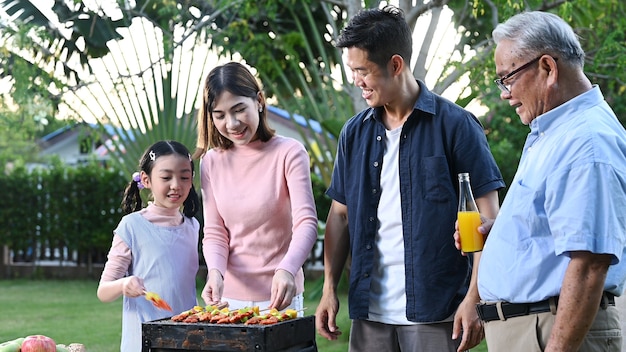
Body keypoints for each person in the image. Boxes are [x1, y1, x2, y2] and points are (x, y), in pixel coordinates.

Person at [314, 5, 505, 352]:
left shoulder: (457, 126)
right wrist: (329, 288)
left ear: (396, 64)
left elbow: (488, 219)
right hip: (369, 316)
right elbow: (339, 216)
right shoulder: (353, 134)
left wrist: (475, 297)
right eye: (352, 70)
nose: (356, 80)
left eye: (363, 71)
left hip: (437, 313)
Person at [467, 11, 626, 352]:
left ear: (547, 69)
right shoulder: (555, 131)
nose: (504, 94)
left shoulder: (586, 142)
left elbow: (590, 263)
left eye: (506, 78)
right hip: (533, 329)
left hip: (550, 332)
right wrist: (505, 232)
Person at [193, 62, 318, 313]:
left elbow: (306, 223)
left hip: (281, 296)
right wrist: (215, 273)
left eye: (239, 109)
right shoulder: (211, 162)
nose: (232, 123)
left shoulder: (289, 152)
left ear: (259, 101)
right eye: (219, 115)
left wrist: (287, 269)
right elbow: (216, 231)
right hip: (228, 300)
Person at [97, 140, 201, 352]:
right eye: (166, 177)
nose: (176, 185)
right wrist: (124, 284)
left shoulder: (193, 226)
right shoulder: (132, 226)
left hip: (187, 339)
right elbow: (104, 291)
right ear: (146, 179)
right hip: (144, 342)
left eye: (184, 177)